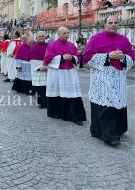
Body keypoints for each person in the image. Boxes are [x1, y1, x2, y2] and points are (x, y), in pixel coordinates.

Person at [83, 15, 135, 146]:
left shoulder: (124, 40)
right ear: (105, 25)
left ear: (118, 24)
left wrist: (123, 57)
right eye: (110, 22)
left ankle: (118, 129)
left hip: (118, 78)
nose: (113, 24)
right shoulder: (95, 39)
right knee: (105, 104)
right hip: (102, 77)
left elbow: (132, 57)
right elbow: (87, 58)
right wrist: (107, 56)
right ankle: (108, 135)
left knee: (117, 102)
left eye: (116, 22)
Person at [43, 27, 86, 125]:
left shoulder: (71, 45)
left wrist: (72, 57)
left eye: (67, 33)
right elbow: (48, 59)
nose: (66, 35)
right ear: (58, 34)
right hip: (57, 73)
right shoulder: (52, 45)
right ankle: (57, 113)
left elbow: (78, 57)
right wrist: (62, 58)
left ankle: (75, 116)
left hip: (69, 72)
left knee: (73, 93)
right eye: (64, 33)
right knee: (58, 92)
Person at [29, 31, 49, 108]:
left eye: (43, 36)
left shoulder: (49, 46)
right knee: (39, 88)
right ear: (36, 38)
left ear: (45, 37)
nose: (41, 37)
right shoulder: (33, 47)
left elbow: (52, 58)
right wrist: (40, 67)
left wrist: (47, 66)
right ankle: (40, 103)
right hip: (37, 71)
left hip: (48, 69)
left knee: (46, 88)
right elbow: (32, 61)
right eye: (39, 36)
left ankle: (47, 103)